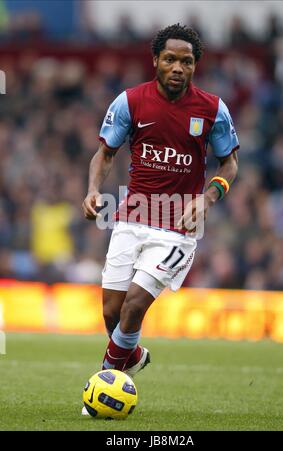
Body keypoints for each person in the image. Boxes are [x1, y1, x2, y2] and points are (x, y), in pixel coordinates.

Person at [82, 23, 239, 397]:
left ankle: (104, 388)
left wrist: (208, 198)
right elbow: (105, 154)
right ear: (155, 60)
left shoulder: (213, 110)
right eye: (170, 59)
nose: (178, 68)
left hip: (177, 228)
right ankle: (131, 355)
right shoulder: (130, 102)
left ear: (195, 66)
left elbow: (229, 164)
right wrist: (92, 190)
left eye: (186, 61)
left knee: (134, 306)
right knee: (111, 312)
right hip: (131, 218)